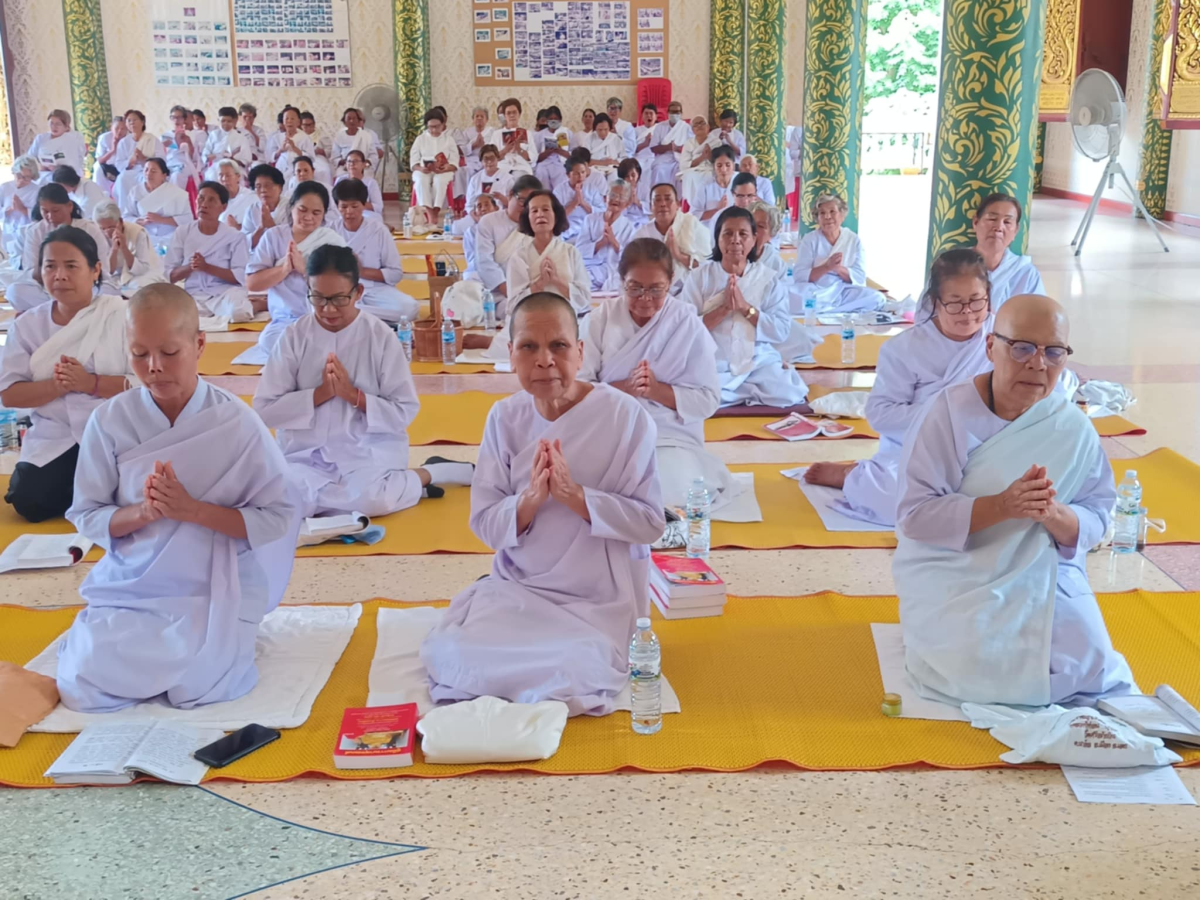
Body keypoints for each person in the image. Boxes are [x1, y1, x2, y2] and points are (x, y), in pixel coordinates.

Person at [57, 284, 299, 713]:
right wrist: (144, 512)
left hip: (214, 583)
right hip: (135, 585)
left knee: (203, 680)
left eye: (170, 353)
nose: (153, 368)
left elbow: (278, 516)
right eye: (139, 354)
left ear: (199, 343)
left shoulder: (236, 423)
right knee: (83, 679)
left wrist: (192, 511)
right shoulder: (110, 419)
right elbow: (87, 513)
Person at [420, 292, 664, 717]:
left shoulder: (625, 417)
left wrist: (577, 498)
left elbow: (649, 524)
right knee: (452, 653)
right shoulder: (505, 417)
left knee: (575, 671)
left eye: (559, 346)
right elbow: (484, 524)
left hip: (596, 600)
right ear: (511, 355)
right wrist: (529, 501)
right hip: (519, 588)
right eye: (529, 347)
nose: (545, 360)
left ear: (581, 352)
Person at [895, 293, 1135, 707]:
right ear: (991, 347)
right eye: (1022, 347)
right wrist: (1003, 505)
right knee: (974, 663)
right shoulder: (947, 413)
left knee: (1087, 664)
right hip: (957, 568)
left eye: (1053, 352)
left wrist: (1056, 515)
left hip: (1043, 568)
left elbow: (1099, 514)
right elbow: (915, 516)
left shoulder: (1072, 426)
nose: (1038, 364)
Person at [253, 245, 472, 522]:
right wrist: (319, 395)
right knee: (280, 500)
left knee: (371, 499)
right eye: (318, 298)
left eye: (338, 299)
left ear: (358, 293)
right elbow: (264, 409)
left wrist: (353, 395)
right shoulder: (294, 337)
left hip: (365, 451)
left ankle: (435, 473)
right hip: (305, 456)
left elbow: (404, 410)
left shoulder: (380, 336)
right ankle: (408, 485)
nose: (328, 309)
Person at [805, 249, 994, 524]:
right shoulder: (904, 348)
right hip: (918, 450)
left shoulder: (1002, 339)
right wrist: (949, 414)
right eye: (955, 303)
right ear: (934, 302)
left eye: (976, 301)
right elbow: (881, 415)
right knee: (900, 503)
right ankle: (853, 476)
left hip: (985, 449)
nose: (967, 313)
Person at [581, 239, 736, 509]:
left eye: (656, 289)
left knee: (664, 494)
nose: (645, 299)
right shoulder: (599, 321)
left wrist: (655, 390)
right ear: (621, 281)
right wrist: (624, 389)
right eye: (635, 288)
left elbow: (708, 400)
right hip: (610, 430)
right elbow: (577, 389)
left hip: (668, 436)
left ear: (671, 282)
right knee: (586, 490)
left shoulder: (686, 324)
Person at [0, 228, 133, 522]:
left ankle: (96, 489)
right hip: (56, 435)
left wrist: (90, 383)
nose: (59, 275)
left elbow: (148, 385)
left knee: (148, 490)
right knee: (29, 501)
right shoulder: (27, 326)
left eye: (71, 266)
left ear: (95, 269)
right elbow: (10, 394)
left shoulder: (122, 316)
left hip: (117, 433)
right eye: (50, 266)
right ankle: (94, 492)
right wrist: (58, 385)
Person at [681, 207, 808, 408]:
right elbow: (684, 330)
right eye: (728, 233)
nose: (735, 240)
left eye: (743, 234)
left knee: (789, 393)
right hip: (714, 360)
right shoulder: (699, 278)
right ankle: (744, 392)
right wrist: (723, 309)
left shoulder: (768, 279)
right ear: (718, 238)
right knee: (693, 394)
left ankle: (741, 391)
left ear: (754, 239)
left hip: (757, 361)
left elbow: (781, 330)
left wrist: (745, 309)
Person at [244, 181, 347, 360]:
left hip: (326, 316)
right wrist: (284, 269)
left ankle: (312, 353)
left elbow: (344, 285)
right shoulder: (273, 237)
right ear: (291, 207)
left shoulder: (331, 240)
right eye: (302, 210)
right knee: (268, 341)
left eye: (316, 213)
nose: (308, 217)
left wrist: (306, 270)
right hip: (286, 319)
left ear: (323, 215)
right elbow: (253, 283)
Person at [7, 184, 114, 311]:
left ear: (69, 206)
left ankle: (63, 310)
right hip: (50, 290)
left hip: (86, 289)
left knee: (109, 291)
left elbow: (103, 270)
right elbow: (31, 271)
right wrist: (52, 272)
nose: (50, 216)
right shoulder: (35, 231)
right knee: (15, 291)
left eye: (55, 210)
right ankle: (69, 310)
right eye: (45, 211)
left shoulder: (90, 229)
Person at [165, 180, 260, 322]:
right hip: (193, 293)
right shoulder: (183, 232)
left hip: (224, 293)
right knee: (173, 318)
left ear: (223, 207)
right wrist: (190, 267)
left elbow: (240, 276)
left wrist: (207, 267)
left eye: (211, 200)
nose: (204, 204)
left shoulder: (234, 237)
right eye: (201, 198)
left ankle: (258, 305)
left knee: (238, 313)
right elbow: (170, 275)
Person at [331, 178, 419, 323]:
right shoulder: (330, 231)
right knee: (315, 304)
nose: (349, 212)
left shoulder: (378, 230)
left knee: (410, 308)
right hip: (341, 291)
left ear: (364, 205)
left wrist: (361, 271)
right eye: (344, 207)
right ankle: (365, 317)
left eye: (354, 206)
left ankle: (354, 315)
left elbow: (395, 273)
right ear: (337, 206)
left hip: (375, 290)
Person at [791, 192, 884, 315]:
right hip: (817, 290)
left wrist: (838, 269)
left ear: (842, 215)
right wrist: (826, 267)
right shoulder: (810, 240)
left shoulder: (853, 239)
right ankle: (841, 310)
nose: (827, 217)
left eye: (832, 212)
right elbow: (799, 276)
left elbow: (859, 277)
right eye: (822, 213)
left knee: (878, 298)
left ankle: (826, 310)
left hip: (843, 291)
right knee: (790, 298)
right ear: (817, 218)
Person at [505, 189, 591, 317]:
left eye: (545, 209)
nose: (540, 215)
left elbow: (584, 299)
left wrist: (556, 280)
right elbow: (512, 306)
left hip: (565, 322)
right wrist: (540, 284)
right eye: (534, 211)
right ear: (528, 218)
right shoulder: (519, 257)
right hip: (530, 323)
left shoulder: (571, 252)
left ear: (556, 216)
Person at [472, 175, 543, 311]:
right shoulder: (489, 222)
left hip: (532, 292)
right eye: (523, 201)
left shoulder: (538, 225)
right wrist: (512, 294)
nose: (525, 208)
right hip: (498, 294)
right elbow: (484, 262)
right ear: (511, 195)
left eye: (531, 204)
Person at [631, 182, 712, 292]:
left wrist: (678, 255)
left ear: (678, 204)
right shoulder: (642, 236)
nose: (663, 204)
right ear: (650, 206)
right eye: (657, 200)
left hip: (691, 291)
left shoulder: (692, 226)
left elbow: (707, 268)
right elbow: (635, 271)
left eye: (668, 199)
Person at [971, 192, 1045, 309]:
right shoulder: (953, 266)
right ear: (975, 222)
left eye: (1007, 222)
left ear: (1015, 230)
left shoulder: (1026, 273)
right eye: (992, 218)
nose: (999, 227)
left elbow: (1038, 316)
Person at [94, 199, 166, 297]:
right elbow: (108, 271)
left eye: (111, 227)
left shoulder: (138, 233)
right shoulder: (97, 235)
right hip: (115, 278)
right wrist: (114, 250)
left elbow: (142, 269)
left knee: (143, 287)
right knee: (99, 290)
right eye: (103, 228)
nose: (107, 232)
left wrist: (124, 248)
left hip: (139, 275)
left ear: (120, 221)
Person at [577, 179, 637, 292]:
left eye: (621, 197)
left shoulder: (629, 227)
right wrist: (601, 243)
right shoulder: (590, 220)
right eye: (612, 195)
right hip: (589, 270)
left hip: (615, 271)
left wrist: (614, 242)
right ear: (605, 198)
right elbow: (579, 250)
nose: (616, 199)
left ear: (627, 203)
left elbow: (631, 258)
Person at [122, 157, 193, 248]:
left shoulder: (176, 193)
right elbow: (126, 216)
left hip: (171, 235)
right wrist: (141, 221)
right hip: (145, 235)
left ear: (164, 175)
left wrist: (161, 220)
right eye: (146, 170)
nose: (148, 174)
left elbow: (188, 219)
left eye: (153, 171)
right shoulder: (135, 192)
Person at [409, 108, 460, 218]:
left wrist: (446, 168)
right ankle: (429, 211)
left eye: (437, 126)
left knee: (440, 180)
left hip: (443, 171)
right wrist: (421, 168)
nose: (434, 130)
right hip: (424, 170)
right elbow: (414, 161)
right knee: (420, 179)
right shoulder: (420, 139)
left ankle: (436, 210)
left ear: (443, 124)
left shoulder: (449, 139)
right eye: (431, 127)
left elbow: (455, 161)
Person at [113, 111, 164, 210]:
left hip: (148, 171)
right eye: (129, 121)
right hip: (130, 172)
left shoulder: (152, 140)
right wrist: (130, 162)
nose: (132, 123)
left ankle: (146, 210)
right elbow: (119, 164)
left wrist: (143, 159)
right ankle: (126, 211)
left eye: (135, 120)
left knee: (147, 179)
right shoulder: (124, 142)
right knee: (122, 178)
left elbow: (161, 160)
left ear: (142, 122)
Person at [553, 154, 605, 241]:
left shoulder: (591, 188)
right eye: (576, 173)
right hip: (569, 226)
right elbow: (556, 217)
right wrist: (574, 203)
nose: (581, 176)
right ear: (568, 175)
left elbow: (602, 212)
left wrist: (583, 203)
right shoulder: (559, 191)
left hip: (590, 225)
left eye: (583, 172)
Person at [28, 109, 88, 181]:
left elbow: (76, 161)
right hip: (43, 176)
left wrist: (57, 168)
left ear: (66, 126)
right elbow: (30, 158)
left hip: (65, 178)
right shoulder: (41, 138)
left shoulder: (73, 139)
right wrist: (41, 166)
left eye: (58, 124)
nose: (54, 127)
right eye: (51, 123)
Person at [1, 156, 41, 261]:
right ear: (14, 172)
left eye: (26, 177)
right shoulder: (5, 187)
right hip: (8, 232)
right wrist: (8, 210)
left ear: (32, 177)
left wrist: (23, 209)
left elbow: (39, 216)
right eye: (19, 175)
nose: (21, 180)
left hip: (27, 233)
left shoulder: (37, 191)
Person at [242, 163, 290, 249]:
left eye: (268, 185)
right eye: (258, 186)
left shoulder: (290, 208)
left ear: (280, 188)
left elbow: (288, 242)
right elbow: (245, 244)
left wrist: (270, 224)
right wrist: (261, 228)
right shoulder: (252, 210)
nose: (263, 190)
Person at [161, 105, 202, 196]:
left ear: (184, 119)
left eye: (179, 117)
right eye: (173, 117)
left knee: (176, 177)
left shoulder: (190, 135)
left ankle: (176, 203)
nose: (176, 120)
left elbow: (194, 157)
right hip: (169, 164)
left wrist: (189, 143)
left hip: (184, 164)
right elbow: (161, 154)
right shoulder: (165, 135)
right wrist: (163, 146)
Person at [648, 100, 691, 189]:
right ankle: (657, 197)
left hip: (680, 159)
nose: (674, 114)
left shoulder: (686, 127)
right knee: (658, 170)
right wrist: (667, 147)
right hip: (663, 159)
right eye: (672, 112)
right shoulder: (660, 127)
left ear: (681, 113)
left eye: (677, 112)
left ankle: (678, 201)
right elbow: (653, 148)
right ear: (668, 113)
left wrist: (677, 148)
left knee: (682, 173)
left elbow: (692, 147)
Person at [694, 146, 738, 231]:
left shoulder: (740, 181)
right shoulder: (705, 186)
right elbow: (694, 215)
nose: (723, 169)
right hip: (710, 230)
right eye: (719, 165)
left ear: (733, 165)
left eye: (728, 165)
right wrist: (717, 210)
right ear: (714, 166)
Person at [459, 194, 500, 279]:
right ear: (475, 213)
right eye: (479, 206)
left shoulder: (503, 227)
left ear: (496, 208)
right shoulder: (470, 232)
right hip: (478, 272)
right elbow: (471, 260)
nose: (483, 209)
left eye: (487, 205)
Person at [490, 98, 534, 177]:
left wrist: (519, 149)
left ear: (519, 114)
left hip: (521, 168)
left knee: (521, 178)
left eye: (514, 112)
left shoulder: (527, 133)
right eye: (508, 113)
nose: (512, 115)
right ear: (504, 116)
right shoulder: (496, 134)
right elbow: (491, 158)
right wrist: (505, 150)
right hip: (502, 167)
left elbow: (533, 157)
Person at [680, 116, 717, 209]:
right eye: (696, 125)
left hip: (710, 168)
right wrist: (702, 157)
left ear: (708, 127)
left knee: (711, 176)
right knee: (689, 176)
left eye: (702, 123)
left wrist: (709, 157)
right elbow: (684, 165)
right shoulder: (688, 143)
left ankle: (711, 207)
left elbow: (720, 161)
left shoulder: (716, 142)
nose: (699, 126)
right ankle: (693, 207)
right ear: (692, 130)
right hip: (693, 170)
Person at [203, 106, 253, 172]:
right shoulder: (213, 135)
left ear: (234, 121)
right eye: (223, 121)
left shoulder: (241, 138)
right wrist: (216, 156)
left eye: (229, 121)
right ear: (218, 120)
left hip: (235, 169)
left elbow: (247, 160)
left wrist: (232, 160)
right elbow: (205, 155)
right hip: (216, 169)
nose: (225, 123)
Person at [335, 150, 384, 218]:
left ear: (363, 164)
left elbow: (378, 207)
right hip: (344, 213)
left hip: (364, 213)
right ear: (345, 164)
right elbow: (334, 201)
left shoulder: (371, 183)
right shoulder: (340, 180)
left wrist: (358, 205)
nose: (352, 164)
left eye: (356, 161)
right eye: (349, 161)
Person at [465, 144, 513, 209]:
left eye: (492, 158)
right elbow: (469, 205)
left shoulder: (507, 178)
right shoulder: (475, 179)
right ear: (481, 161)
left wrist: (501, 197)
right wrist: (476, 218)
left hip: (499, 215)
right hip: (479, 215)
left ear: (497, 159)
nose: (489, 162)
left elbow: (513, 204)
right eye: (486, 159)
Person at [749, 200, 787, 279]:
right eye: (749, 223)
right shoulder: (731, 256)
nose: (753, 230)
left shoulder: (777, 264)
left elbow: (781, 291)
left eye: (760, 226)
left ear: (771, 233)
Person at [331, 108, 375, 173]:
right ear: (344, 122)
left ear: (358, 121)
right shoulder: (339, 136)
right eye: (349, 118)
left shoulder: (366, 136)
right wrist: (348, 163)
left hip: (364, 169)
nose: (351, 121)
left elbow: (373, 155)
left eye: (354, 118)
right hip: (344, 169)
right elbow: (335, 157)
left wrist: (364, 164)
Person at [299, 111, 336, 185]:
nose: (308, 127)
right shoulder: (298, 136)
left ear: (314, 124)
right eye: (305, 125)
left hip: (318, 159)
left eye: (310, 124)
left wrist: (322, 151)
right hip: (303, 159)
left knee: (325, 170)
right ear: (300, 125)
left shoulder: (321, 135)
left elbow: (331, 150)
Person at [216, 159, 255, 228]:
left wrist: (238, 227)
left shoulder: (251, 197)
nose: (224, 179)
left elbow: (257, 226)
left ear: (238, 177)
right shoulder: (215, 199)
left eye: (228, 175)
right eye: (221, 175)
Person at [94, 115, 128, 190]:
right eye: (117, 128)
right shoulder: (104, 138)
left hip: (123, 167)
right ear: (111, 128)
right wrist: (112, 150)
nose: (119, 131)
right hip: (107, 168)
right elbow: (100, 160)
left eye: (123, 129)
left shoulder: (129, 139)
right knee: (98, 168)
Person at [586, 113, 625, 178]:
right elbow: (585, 160)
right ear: (595, 128)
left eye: (606, 129)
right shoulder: (589, 138)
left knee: (615, 178)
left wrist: (613, 161)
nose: (603, 132)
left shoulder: (615, 138)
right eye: (600, 130)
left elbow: (624, 157)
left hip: (612, 168)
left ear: (609, 128)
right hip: (595, 169)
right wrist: (603, 162)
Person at [616, 158, 650, 225]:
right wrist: (628, 202)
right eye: (627, 176)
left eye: (633, 175)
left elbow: (651, 208)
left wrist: (637, 202)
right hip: (626, 219)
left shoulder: (644, 188)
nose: (631, 179)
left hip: (642, 219)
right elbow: (619, 211)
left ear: (638, 174)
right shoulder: (618, 189)